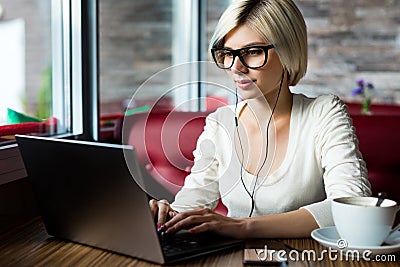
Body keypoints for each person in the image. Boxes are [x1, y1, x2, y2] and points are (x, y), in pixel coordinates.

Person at [149, 0, 371, 239]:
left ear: (289, 50)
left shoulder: (323, 113)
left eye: (253, 52)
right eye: (227, 53)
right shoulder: (220, 122)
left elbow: (351, 205)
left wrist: (242, 227)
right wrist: (168, 215)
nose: (236, 67)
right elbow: (192, 202)